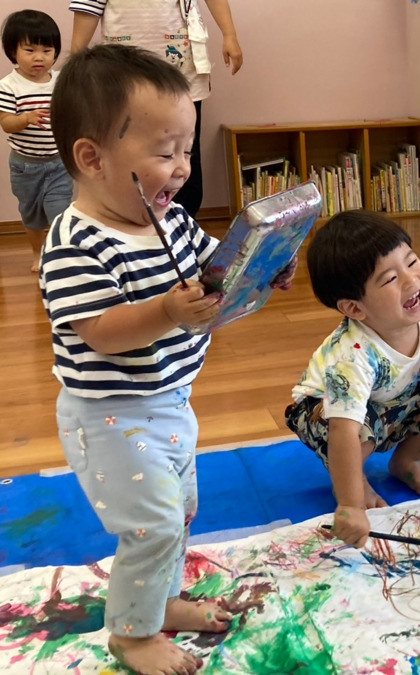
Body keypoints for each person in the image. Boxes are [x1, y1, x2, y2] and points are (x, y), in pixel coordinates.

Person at [41, 44, 294, 675]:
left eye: (186, 150)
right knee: (151, 525)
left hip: (172, 402)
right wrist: (166, 313)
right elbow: (99, 331)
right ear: (92, 158)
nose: (182, 169)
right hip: (110, 417)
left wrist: (262, 266)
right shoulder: (74, 242)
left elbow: (217, 266)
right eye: (164, 152)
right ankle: (130, 636)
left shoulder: (171, 218)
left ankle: (162, 600)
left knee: (179, 512)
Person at [285, 210, 420, 549]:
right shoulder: (352, 357)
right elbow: (342, 430)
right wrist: (350, 503)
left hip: (390, 399)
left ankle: (406, 460)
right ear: (356, 309)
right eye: (390, 279)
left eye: (412, 261)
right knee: (358, 431)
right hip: (325, 414)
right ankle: (349, 479)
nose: (411, 280)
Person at [69, 0, 243, 218]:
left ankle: (182, 223)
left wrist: (230, 35)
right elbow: (88, 8)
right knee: (129, 150)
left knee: (184, 151)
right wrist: (74, 67)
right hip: (125, 73)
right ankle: (134, 222)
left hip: (180, 70)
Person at [0, 10, 73, 272]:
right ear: (12, 52)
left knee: (59, 212)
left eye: (47, 50)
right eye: (30, 50)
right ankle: (37, 252)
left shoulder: (62, 81)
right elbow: (6, 123)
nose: (39, 57)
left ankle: (57, 255)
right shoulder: (8, 86)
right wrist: (26, 118)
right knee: (31, 216)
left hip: (58, 163)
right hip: (24, 166)